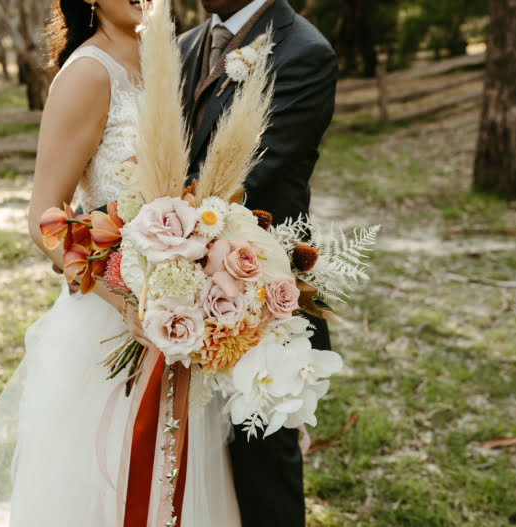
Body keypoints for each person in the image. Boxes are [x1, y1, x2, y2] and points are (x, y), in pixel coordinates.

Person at [0, 0, 240, 525]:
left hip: (179, 313)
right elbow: (44, 217)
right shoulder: (88, 74)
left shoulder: (164, 58)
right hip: (113, 318)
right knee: (108, 483)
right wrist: (124, 300)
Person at [178, 0, 339, 525]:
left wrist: (153, 216)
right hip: (175, 291)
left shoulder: (305, 52)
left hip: (262, 300)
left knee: (263, 471)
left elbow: (249, 177)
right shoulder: (184, 46)